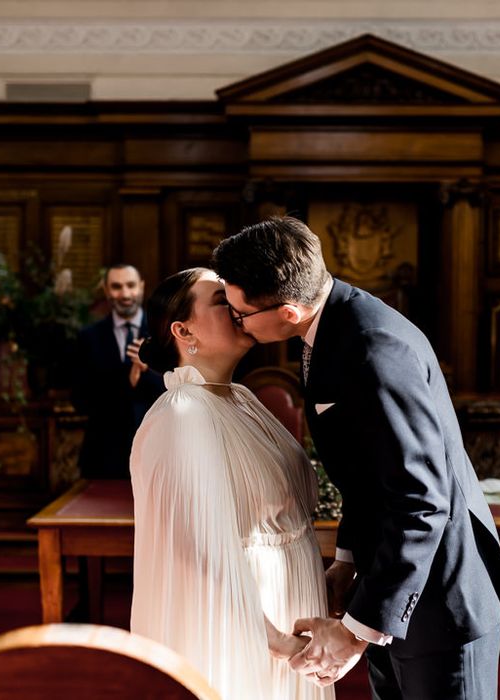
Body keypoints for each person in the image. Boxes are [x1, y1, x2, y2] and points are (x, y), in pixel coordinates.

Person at [212, 217, 500, 699]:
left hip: (438, 600)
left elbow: (421, 502)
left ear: (288, 311)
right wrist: (348, 562)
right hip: (388, 587)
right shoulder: (330, 322)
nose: (236, 322)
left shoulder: (373, 347)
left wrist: (356, 630)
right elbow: (367, 475)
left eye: (239, 314)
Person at [130, 267, 334, 700]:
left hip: (289, 605)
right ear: (184, 330)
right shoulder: (182, 412)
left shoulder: (241, 398)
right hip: (244, 624)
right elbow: (198, 548)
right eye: (223, 301)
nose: (241, 305)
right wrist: (272, 637)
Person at [72, 263, 164, 479]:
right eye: (116, 287)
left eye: (130, 286)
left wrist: (147, 373)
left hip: (158, 454)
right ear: (106, 291)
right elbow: (79, 400)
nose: (125, 294)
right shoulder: (88, 337)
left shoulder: (165, 333)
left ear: (141, 287)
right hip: (102, 457)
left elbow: (183, 390)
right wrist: (127, 381)